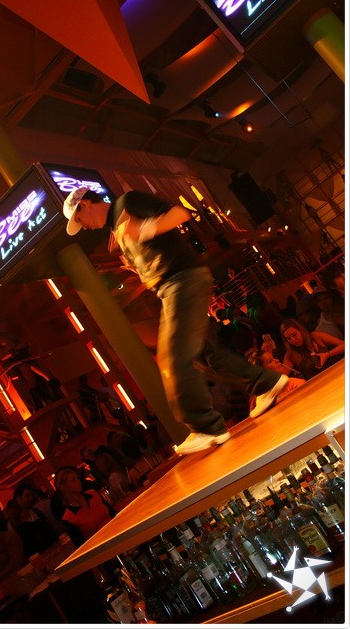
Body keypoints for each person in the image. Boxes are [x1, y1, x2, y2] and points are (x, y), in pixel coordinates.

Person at [62, 187, 290, 454]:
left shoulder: (128, 202)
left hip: (182, 280)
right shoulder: (117, 229)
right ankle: (266, 383)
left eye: (80, 219)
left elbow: (180, 214)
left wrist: (143, 230)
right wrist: (137, 264)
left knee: (172, 356)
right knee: (204, 358)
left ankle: (208, 427)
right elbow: (153, 250)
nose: (84, 227)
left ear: (86, 204)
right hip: (173, 285)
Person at [54, 466, 116, 547]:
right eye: (73, 480)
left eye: (77, 479)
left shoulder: (93, 494)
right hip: (101, 546)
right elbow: (81, 545)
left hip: (116, 532)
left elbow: (112, 512)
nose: (78, 482)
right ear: (64, 487)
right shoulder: (69, 517)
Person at [280, 318, 345, 381]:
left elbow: (344, 345)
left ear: (300, 330)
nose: (293, 340)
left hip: (337, 374)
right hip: (318, 383)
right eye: (289, 338)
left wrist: (328, 354)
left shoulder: (315, 336)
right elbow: (282, 378)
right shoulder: (291, 355)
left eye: (294, 335)